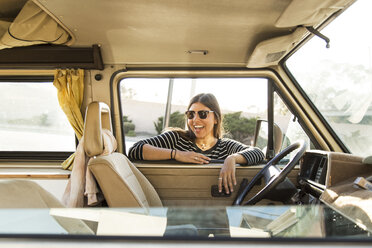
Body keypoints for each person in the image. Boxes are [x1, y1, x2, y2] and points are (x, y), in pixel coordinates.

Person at [128, 93, 264, 194]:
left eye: (203, 114)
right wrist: (177, 154)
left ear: (216, 118)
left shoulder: (226, 147)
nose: (195, 120)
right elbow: (135, 149)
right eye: (191, 115)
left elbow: (257, 153)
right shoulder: (175, 138)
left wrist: (232, 159)